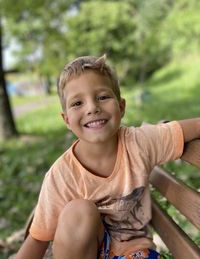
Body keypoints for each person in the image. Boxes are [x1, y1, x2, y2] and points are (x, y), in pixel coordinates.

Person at [15, 55, 200, 259]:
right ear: (66, 120)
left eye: (102, 97)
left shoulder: (139, 143)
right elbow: (38, 239)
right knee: (79, 211)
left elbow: (191, 127)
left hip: (133, 253)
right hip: (85, 252)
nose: (92, 108)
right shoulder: (62, 175)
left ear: (121, 107)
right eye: (77, 103)